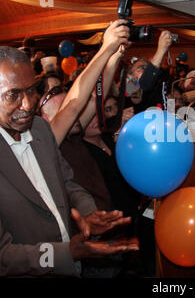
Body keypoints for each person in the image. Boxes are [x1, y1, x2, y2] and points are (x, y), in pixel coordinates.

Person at [0, 46, 138, 277]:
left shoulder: (41, 129)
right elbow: (3, 256)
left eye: (31, 91)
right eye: (13, 95)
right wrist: (66, 253)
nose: (27, 104)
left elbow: (68, 183)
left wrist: (88, 214)